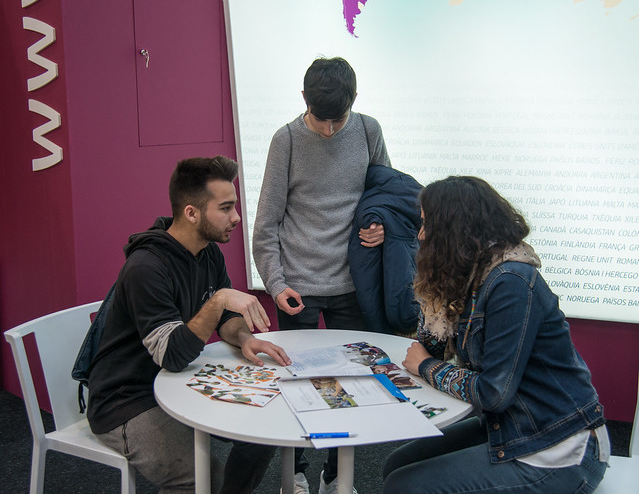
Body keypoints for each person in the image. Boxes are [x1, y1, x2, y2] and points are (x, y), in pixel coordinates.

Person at [382, 176, 609, 494]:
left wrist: (425, 368)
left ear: (452, 230)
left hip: (557, 450)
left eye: (426, 225)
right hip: (513, 427)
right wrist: (435, 294)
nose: (420, 236)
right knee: (396, 464)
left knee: (404, 485)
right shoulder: (473, 275)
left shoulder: (511, 281)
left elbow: (494, 394)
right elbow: (430, 346)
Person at [87, 156, 292, 494]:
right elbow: (171, 355)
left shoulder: (208, 251)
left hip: (178, 382)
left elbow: (224, 318)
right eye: (225, 208)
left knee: (262, 434)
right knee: (202, 478)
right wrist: (220, 300)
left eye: (235, 206)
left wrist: (242, 337)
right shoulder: (146, 267)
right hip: (126, 400)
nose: (236, 218)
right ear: (192, 213)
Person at [252, 57, 391, 493]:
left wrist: (383, 224)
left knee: (351, 387)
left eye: (339, 120)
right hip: (298, 286)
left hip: (353, 284)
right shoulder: (287, 140)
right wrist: (275, 284)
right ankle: (293, 475)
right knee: (297, 388)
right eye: (320, 120)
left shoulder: (368, 130)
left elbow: (389, 193)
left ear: (355, 102)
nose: (330, 130)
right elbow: (266, 223)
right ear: (303, 102)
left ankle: (337, 477)